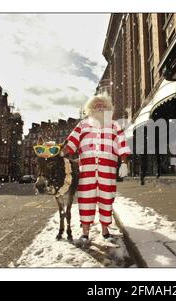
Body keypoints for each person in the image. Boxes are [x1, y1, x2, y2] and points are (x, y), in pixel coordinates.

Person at [64, 94, 130, 243]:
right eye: (96, 105)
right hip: (87, 168)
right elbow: (70, 144)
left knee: (106, 199)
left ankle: (105, 230)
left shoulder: (115, 125)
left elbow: (123, 145)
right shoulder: (83, 125)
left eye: (103, 105)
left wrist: (124, 162)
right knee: (86, 199)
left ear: (108, 108)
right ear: (90, 109)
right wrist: (56, 153)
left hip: (107, 169)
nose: (99, 107)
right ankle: (85, 232)